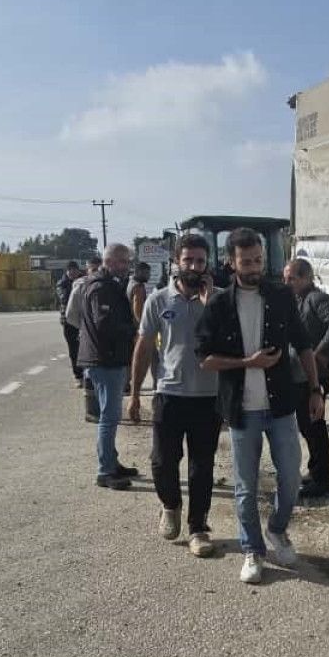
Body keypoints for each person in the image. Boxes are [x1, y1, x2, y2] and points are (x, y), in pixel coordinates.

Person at [197, 228, 323, 584]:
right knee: (245, 487)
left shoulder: (281, 296)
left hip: (281, 406)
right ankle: (252, 549)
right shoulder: (219, 305)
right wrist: (247, 363)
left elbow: (304, 344)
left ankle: (277, 529)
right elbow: (204, 358)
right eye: (246, 261)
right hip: (243, 410)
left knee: (291, 479)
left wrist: (315, 390)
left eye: (258, 260)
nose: (254, 267)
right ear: (231, 262)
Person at [128, 234, 221, 557]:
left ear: (207, 264)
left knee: (202, 466)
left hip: (208, 397)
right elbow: (143, 347)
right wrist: (135, 393)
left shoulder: (220, 300)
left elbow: (231, 343)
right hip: (169, 393)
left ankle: (198, 528)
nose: (194, 267)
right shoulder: (158, 300)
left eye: (200, 261)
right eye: (188, 260)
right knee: (162, 461)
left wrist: (210, 307)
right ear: (176, 262)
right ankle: (170, 505)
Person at [283, 258, 329, 498]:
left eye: (291, 278)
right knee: (307, 425)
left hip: (314, 375)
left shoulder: (317, 299)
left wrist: (320, 352)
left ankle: (323, 480)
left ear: (306, 278)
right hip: (301, 373)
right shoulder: (299, 300)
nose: (286, 283)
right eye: (285, 278)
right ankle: (316, 472)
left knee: (314, 425)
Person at [77, 244, 139, 490]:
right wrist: (133, 330)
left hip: (105, 357)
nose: (127, 266)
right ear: (110, 261)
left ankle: (111, 461)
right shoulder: (102, 288)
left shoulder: (104, 284)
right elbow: (105, 324)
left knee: (109, 415)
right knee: (109, 417)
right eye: (123, 261)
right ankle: (105, 471)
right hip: (105, 359)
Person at [65, 256, 103, 389]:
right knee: (85, 357)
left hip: (104, 331)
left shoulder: (110, 284)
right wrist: (83, 327)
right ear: (88, 270)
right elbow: (70, 314)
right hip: (85, 330)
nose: (96, 273)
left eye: (99, 269)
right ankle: (86, 383)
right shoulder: (81, 285)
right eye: (93, 270)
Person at [58, 261, 84, 383]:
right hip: (68, 321)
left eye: (75, 270)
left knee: (86, 348)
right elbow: (63, 298)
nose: (73, 272)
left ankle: (87, 374)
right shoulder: (62, 284)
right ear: (66, 272)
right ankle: (78, 375)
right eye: (70, 270)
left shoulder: (84, 281)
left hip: (83, 321)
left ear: (79, 271)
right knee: (73, 349)